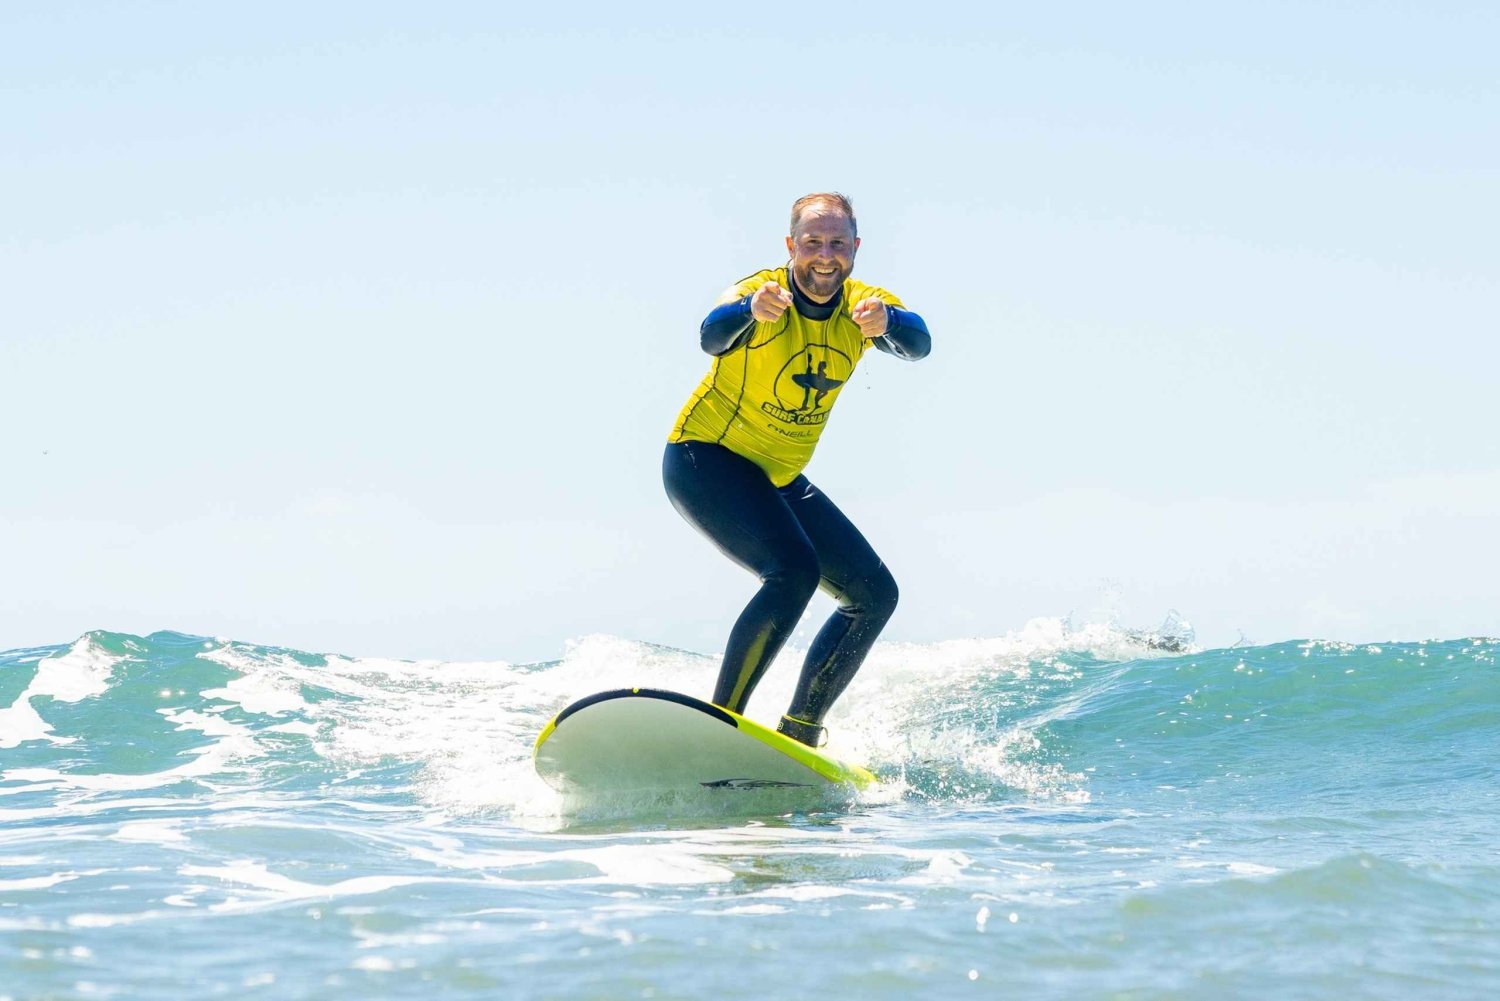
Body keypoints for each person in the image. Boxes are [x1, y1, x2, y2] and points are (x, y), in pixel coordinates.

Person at [662, 192, 931, 747]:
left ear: (855, 247)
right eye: (812, 243)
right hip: (705, 458)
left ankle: (800, 731)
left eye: (837, 243)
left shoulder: (866, 306)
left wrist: (890, 322)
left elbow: (918, 344)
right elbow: (710, 336)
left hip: (778, 477)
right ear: (791, 246)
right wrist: (747, 312)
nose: (824, 256)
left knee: (874, 594)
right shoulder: (761, 293)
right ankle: (720, 723)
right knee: (793, 571)